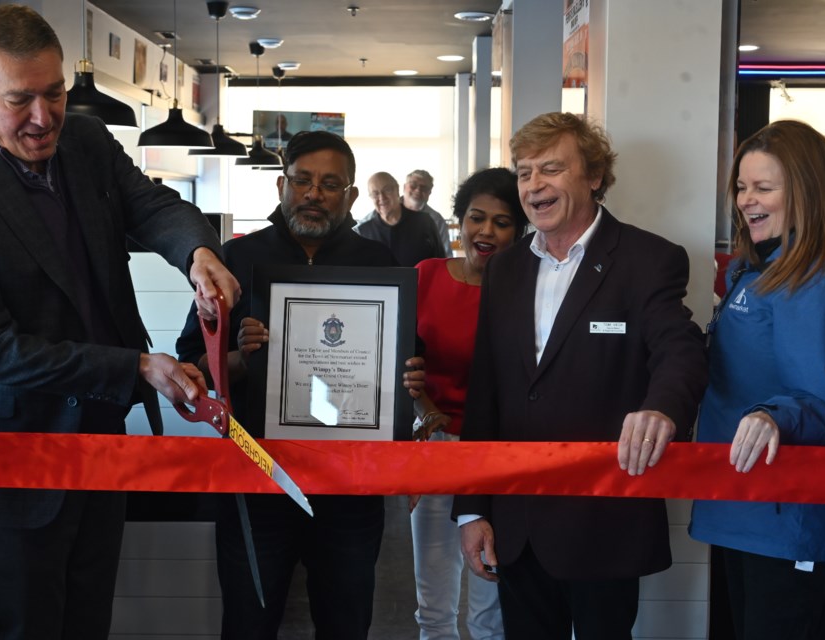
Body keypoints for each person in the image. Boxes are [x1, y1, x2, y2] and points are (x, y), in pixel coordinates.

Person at [0, 5, 239, 639]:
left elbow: (153, 205)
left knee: (90, 621)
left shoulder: (86, 142)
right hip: (16, 457)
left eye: (54, 93)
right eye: (20, 99)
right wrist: (137, 367)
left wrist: (197, 254)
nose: (42, 117)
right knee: (28, 627)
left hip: (101, 439)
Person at [452, 112, 707, 639]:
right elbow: (488, 395)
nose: (533, 185)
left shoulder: (648, 260)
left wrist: (662, 408)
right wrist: (471, 510)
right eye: (524, 173)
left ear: (593, 176)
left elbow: (679, 348)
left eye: (551, 168)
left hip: (604, 524)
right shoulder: (507, 268)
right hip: (516, 525)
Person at [176, 131, 421, 640]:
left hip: (351, 482)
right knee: (249, 618)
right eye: (303, 181)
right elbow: (190, 366)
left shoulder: (379, 267)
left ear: (351, 196)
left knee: (347, 619)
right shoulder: (234, 260)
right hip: (257, 474)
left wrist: (409, 378)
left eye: (330, 184)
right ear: (282, 185)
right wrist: (238, 359)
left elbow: (404, 363)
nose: (314, 193)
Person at [689, 119, 825, 639]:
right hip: (739, 505)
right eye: (742, 187)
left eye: (764, 187)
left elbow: (822, 402)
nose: (746, 200)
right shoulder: (755, 268)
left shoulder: (823, 277)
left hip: (792, 523)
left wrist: (772, 416)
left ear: (808, 192)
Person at [411, 167, 528, 640]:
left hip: (498, 454)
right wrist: (422, 408)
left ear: (518, 232)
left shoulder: (527, 290)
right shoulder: (426, 275)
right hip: (436, 447)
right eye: (476, 218)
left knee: (490, 604)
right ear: (459, 221)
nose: (487, 231)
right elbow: (401, 365)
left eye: (502, 222)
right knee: (434, 600)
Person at [355, 171, 445, 266]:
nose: (382, 197)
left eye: (387, 190)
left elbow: (441, 263)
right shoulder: (363, 231)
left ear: (397, 189)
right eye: (375, 194)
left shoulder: (425, 222)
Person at [403, 169, 453, 256]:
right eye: (413, 185)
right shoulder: (387, 212)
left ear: (429, 192)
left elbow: (446, 255)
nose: (418, 190)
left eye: (424, 188)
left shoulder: (436, 219)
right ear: (404, 187)